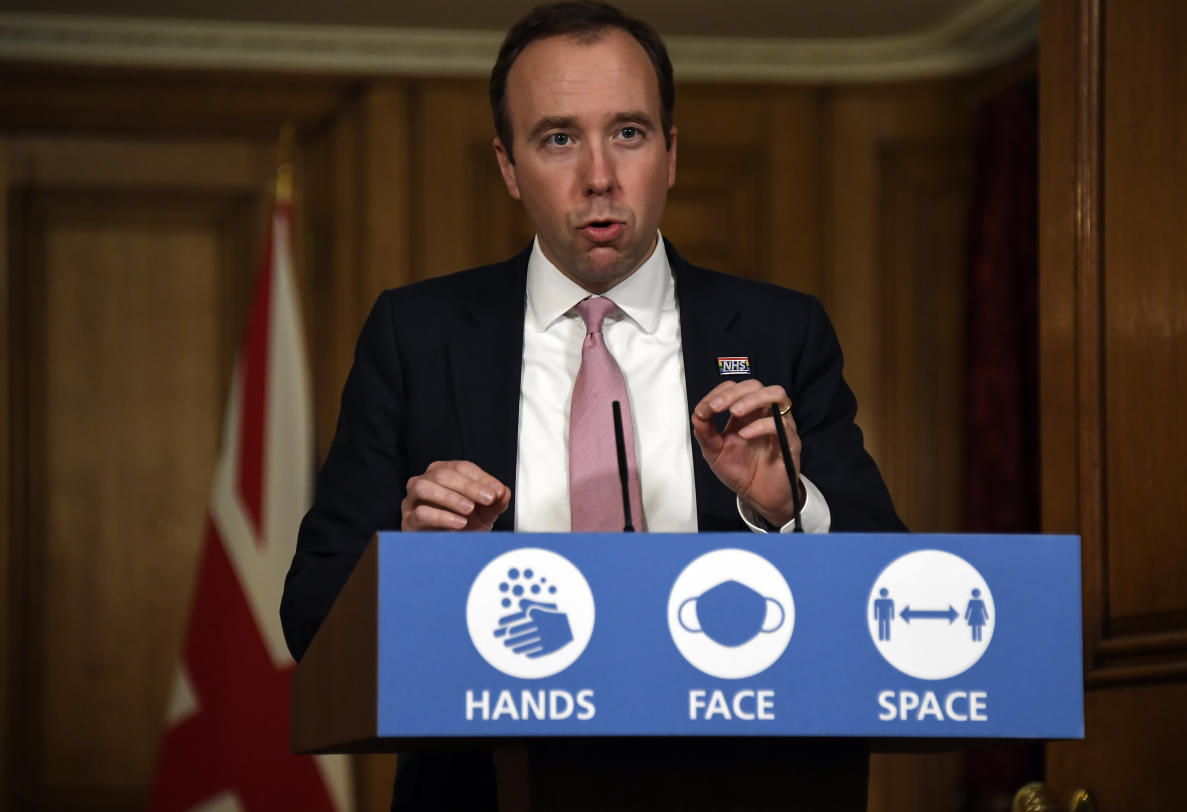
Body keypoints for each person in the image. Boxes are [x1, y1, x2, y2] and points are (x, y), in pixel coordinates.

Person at [281, 2, 904, 808]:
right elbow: (313, 615)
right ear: (508, 166)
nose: (600, 175)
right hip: (495, 784)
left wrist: (786, 513)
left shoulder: (783, 331)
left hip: (744, 782)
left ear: (671, 155)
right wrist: (420, 566)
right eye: (559, 138)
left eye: (630, 133)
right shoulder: (417, 335)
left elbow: (889, 587)